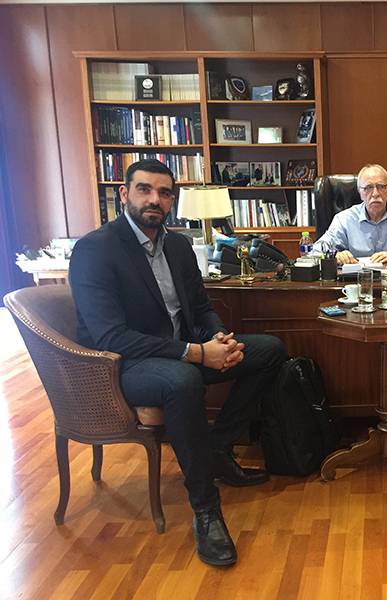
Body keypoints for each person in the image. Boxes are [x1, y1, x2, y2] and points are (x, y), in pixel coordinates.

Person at [69, 159, 287, 567]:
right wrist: (196, 353)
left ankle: (218, 448)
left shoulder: (179, 246)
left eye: (165, 193)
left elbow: (200, 308)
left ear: (172, 200)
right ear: (124, 194)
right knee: (183, 380)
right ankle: (206, 509)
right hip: (121, 365)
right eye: (145, 190)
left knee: (269, 350)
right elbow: (111, 337)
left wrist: (219, 339)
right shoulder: (95, 249)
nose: (155, 199)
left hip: (180, 352)